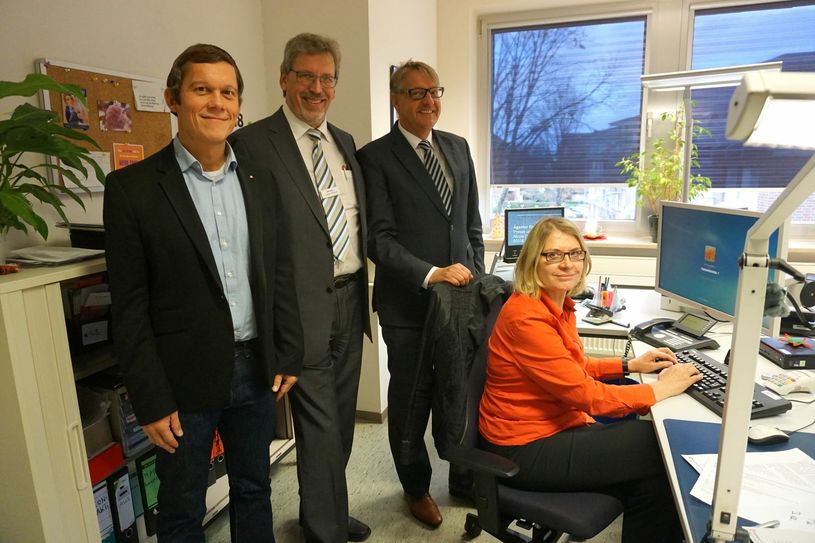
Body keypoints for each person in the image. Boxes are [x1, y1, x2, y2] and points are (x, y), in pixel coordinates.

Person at [104, 43, 303, 542]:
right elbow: (130, 307)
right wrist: (149, 399)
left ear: (238, 104)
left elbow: (278, 274)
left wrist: (288, 351)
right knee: (181, 505)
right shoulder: (133, 189)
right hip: (181, 381)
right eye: (202, 90)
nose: (217, 102)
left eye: (227, 92)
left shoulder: (261, 181)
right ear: (174, 99)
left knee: (255, 488)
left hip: (256, 369)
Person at [478, 217, 702, 543]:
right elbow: (589, 398)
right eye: (553, 255)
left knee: (654, 481)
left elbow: (574, 366)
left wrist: (630, 364)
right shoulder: (527, 317)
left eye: (575, 253)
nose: (567, 263)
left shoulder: (557, 303)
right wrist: (662, 388)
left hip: (556, 426)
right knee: (660, 446)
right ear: (532, 261)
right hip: (523, 448)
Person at [229, 33, 371, 543]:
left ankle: (325, 510)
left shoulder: (345, 142)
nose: (317, 88)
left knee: (343, 418)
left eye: (326, 78)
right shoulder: (251, 144)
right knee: (318, 423)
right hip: (298, 306)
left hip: (352, 299)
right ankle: (325, 529)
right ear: (284, 78)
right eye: (306, 76)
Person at [358, 60, 484, 529]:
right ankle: (414, 487)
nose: (429, 101)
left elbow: (470, 222)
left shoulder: (457, 146)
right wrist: (431, 273)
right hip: (408, 304)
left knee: (461, 391)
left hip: (461, 300)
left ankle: (464, 476)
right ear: (395, 99)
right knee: (413, 399)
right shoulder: (375, 158)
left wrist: (477, 274)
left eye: (435, 91)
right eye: (416, 93)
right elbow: (379, 239)